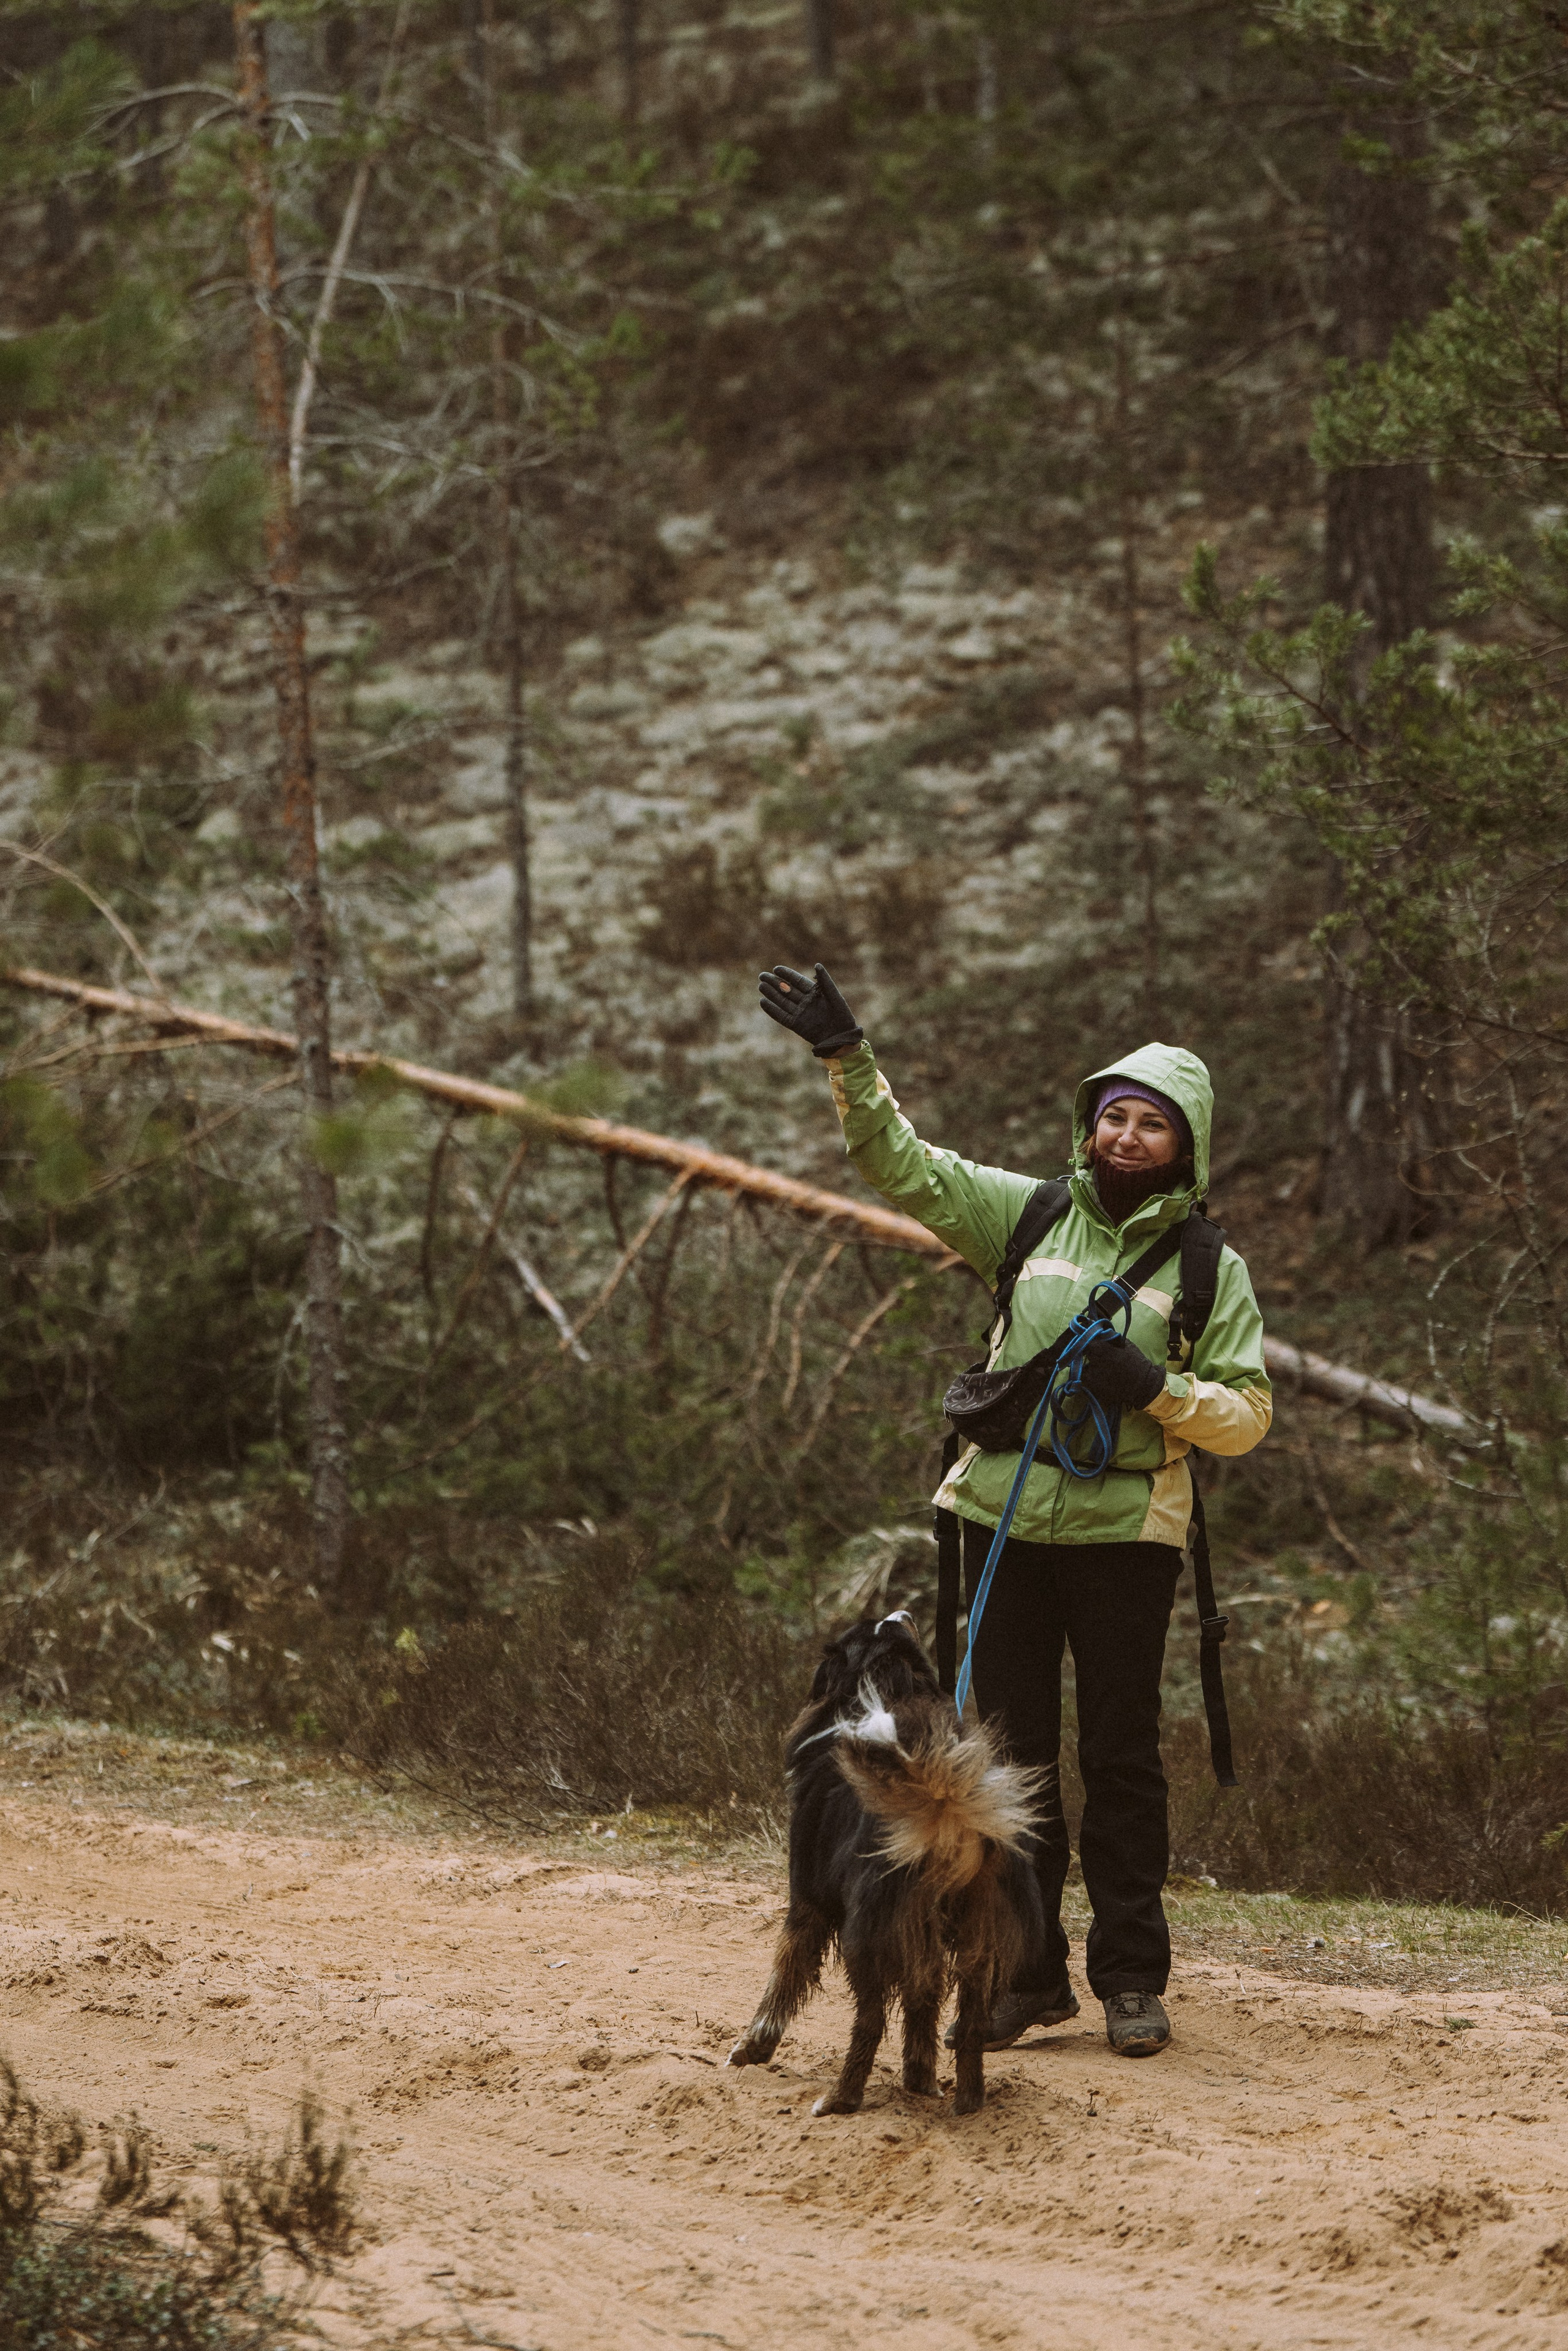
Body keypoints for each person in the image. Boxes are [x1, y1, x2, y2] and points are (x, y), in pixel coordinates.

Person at [758, 960, 1271, 2059]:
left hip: (1128, 1539)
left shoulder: (1205, 1264)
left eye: (1152, 1125)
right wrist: (847, 1057)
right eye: (1113, 1117)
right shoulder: (1029, 1214)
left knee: (1124, 1760)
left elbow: (1249, 1414)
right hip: (999, 1525)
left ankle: (1132, 1978)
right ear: (1087, 1129)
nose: (1127, 1136)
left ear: (1188, 1145)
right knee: (1012, 1764)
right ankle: (1026, 1975)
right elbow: (902, 1164)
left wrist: (1162, 1391)